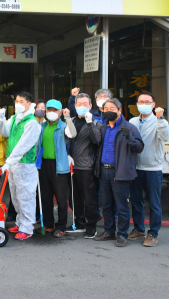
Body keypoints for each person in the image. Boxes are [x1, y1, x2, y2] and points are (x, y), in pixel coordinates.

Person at [95, 98, 144, 247]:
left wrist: (129, 138)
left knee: (121, 205)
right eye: (106, 108)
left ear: (120, 110)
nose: (109, 111)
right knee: (107, 205)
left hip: (120, 172)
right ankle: (109, 231)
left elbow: (140, 147)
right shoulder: (103, 128)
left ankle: (122, 234)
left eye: (112, 108)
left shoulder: (129, 127)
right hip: (104, 170)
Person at [0, 91, 41, 241]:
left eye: (21, 101)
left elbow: (24, 145)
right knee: (15, 196)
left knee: (25, 197)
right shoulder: (15, 118)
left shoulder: (32, 122)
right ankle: (19, 223)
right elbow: (4, 132)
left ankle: (27, 228)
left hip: (25, 165)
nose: (18, 104)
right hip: (14, 164)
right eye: (16, 101)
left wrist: (9, 161)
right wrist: (1, 118)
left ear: (29, 104)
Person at [128, 92, 169, 247]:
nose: (143, 104)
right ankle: (138, 229)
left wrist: (160, 118)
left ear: (153, 104)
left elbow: (165, 137)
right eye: (141, 101)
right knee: (136, 201)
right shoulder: (132, 121)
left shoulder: (158, 121)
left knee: (154, 203)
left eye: (147, 101)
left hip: (153, 168)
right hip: (135, 168)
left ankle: (153, 233)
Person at [66, 93, 103, 239]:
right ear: (75, 106)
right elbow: (67, 140)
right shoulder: (72, 121)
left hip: (87, 166)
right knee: (74, 197)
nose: (82, 106)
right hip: (72, 166)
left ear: (90, 106)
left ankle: (91, 226)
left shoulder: (96, 123)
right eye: (79, 104)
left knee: (90, 198)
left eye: (85, 104)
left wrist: (89, 123)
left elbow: (96, 140)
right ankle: (78, 223)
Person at [37, 99, 75, 238]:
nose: (51, 112)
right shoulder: (42, 126)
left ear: (60, 112)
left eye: (55, 110)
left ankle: (61, 226)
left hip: (59, 166)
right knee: (46, 197)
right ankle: (49, 225)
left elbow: (73, 134)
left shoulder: (64, 126)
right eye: (49, 110)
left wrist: (68, 117)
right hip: (44, 165)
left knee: (60, 198)